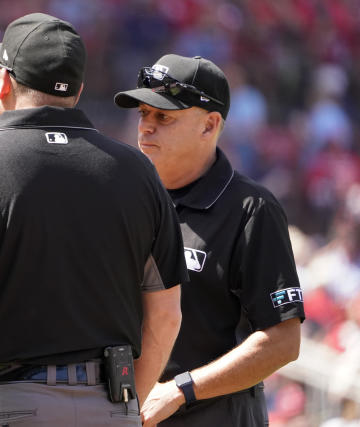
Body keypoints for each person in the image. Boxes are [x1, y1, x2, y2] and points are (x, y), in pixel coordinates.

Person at [0, 13, 188, 427]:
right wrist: (126, 409)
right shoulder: (137, 171)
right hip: (109, 403)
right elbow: (166, 316)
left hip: (8, 402)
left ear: (3, 82)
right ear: (78, 90)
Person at [114, 54, 305, 426]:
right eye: (143, 114)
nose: (146, 128)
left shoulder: (251, 209)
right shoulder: (122, 199)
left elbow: (283, 341)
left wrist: (181, 389)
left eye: (163, 117)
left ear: (210, 125)